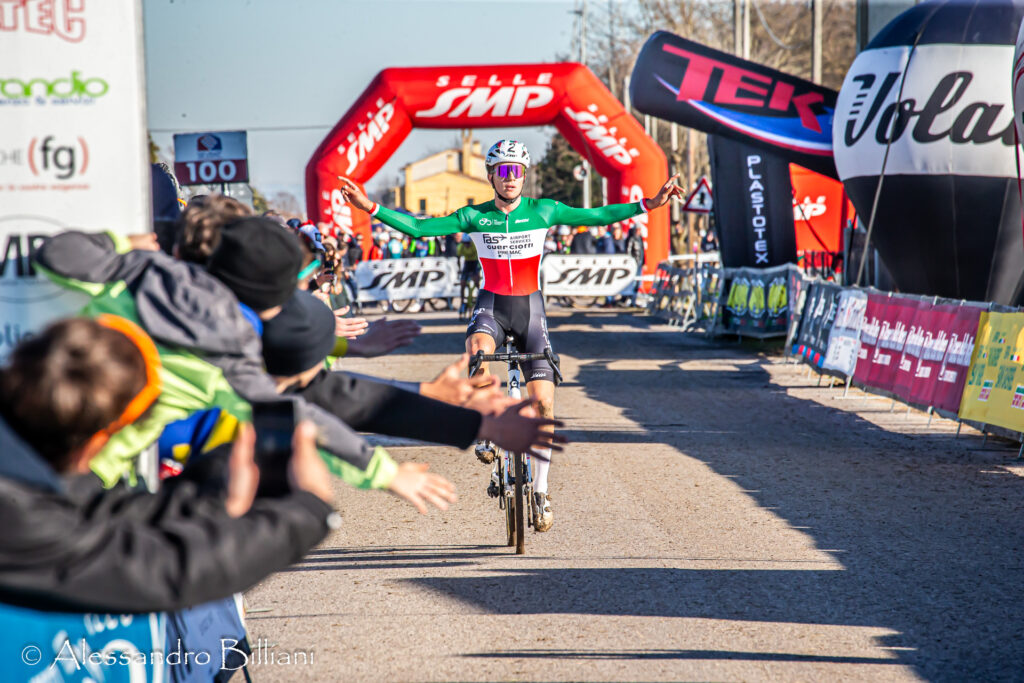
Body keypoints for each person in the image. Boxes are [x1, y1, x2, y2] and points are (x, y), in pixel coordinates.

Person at [339, 140, 682, 531]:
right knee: (478, 349)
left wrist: (649, 204)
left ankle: (541, 491)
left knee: (544, 405)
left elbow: (598, 214)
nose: (510, 178)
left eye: (516, 170)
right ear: (491, 176)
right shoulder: (474, 215)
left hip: (531, 311)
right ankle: (486, 423)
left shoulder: (543, 210)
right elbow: (419, 228)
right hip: (492, 308)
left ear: (524, 175)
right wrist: (370, 208)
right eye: (503, 171)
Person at [0, 316, 337, 613]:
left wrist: (215, 491)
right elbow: (155, 572)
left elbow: (93, 507)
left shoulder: (19, 458)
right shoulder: (17, 518)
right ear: (100, 439)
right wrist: (307, 512)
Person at [456, 232, 480, 316]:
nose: (466, 245)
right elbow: (458, 259)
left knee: (476, 281)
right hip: (467, 264)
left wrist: (478, 270)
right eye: (465, 243)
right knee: (462, 283)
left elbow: (479, 259)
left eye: (468, 243)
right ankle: (462, 302)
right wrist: (459, 269)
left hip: (474, 263)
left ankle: (480, 298)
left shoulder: (474, 246)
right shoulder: (461, 246)